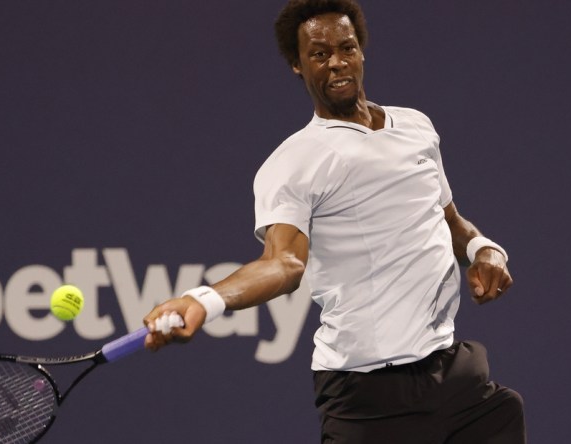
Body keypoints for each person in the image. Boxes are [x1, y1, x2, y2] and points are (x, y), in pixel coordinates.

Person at [144, 0, 526, 442]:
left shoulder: (416, 127)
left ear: (362, 51)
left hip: (453, 373)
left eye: (346, 48)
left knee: (505, 410)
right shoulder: (293, 162)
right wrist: (205, 301)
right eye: (319, 54)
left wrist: (485, 250)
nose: (337, 63)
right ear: (296, 65)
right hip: (368, 394)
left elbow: (450, 221)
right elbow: (283, 264)